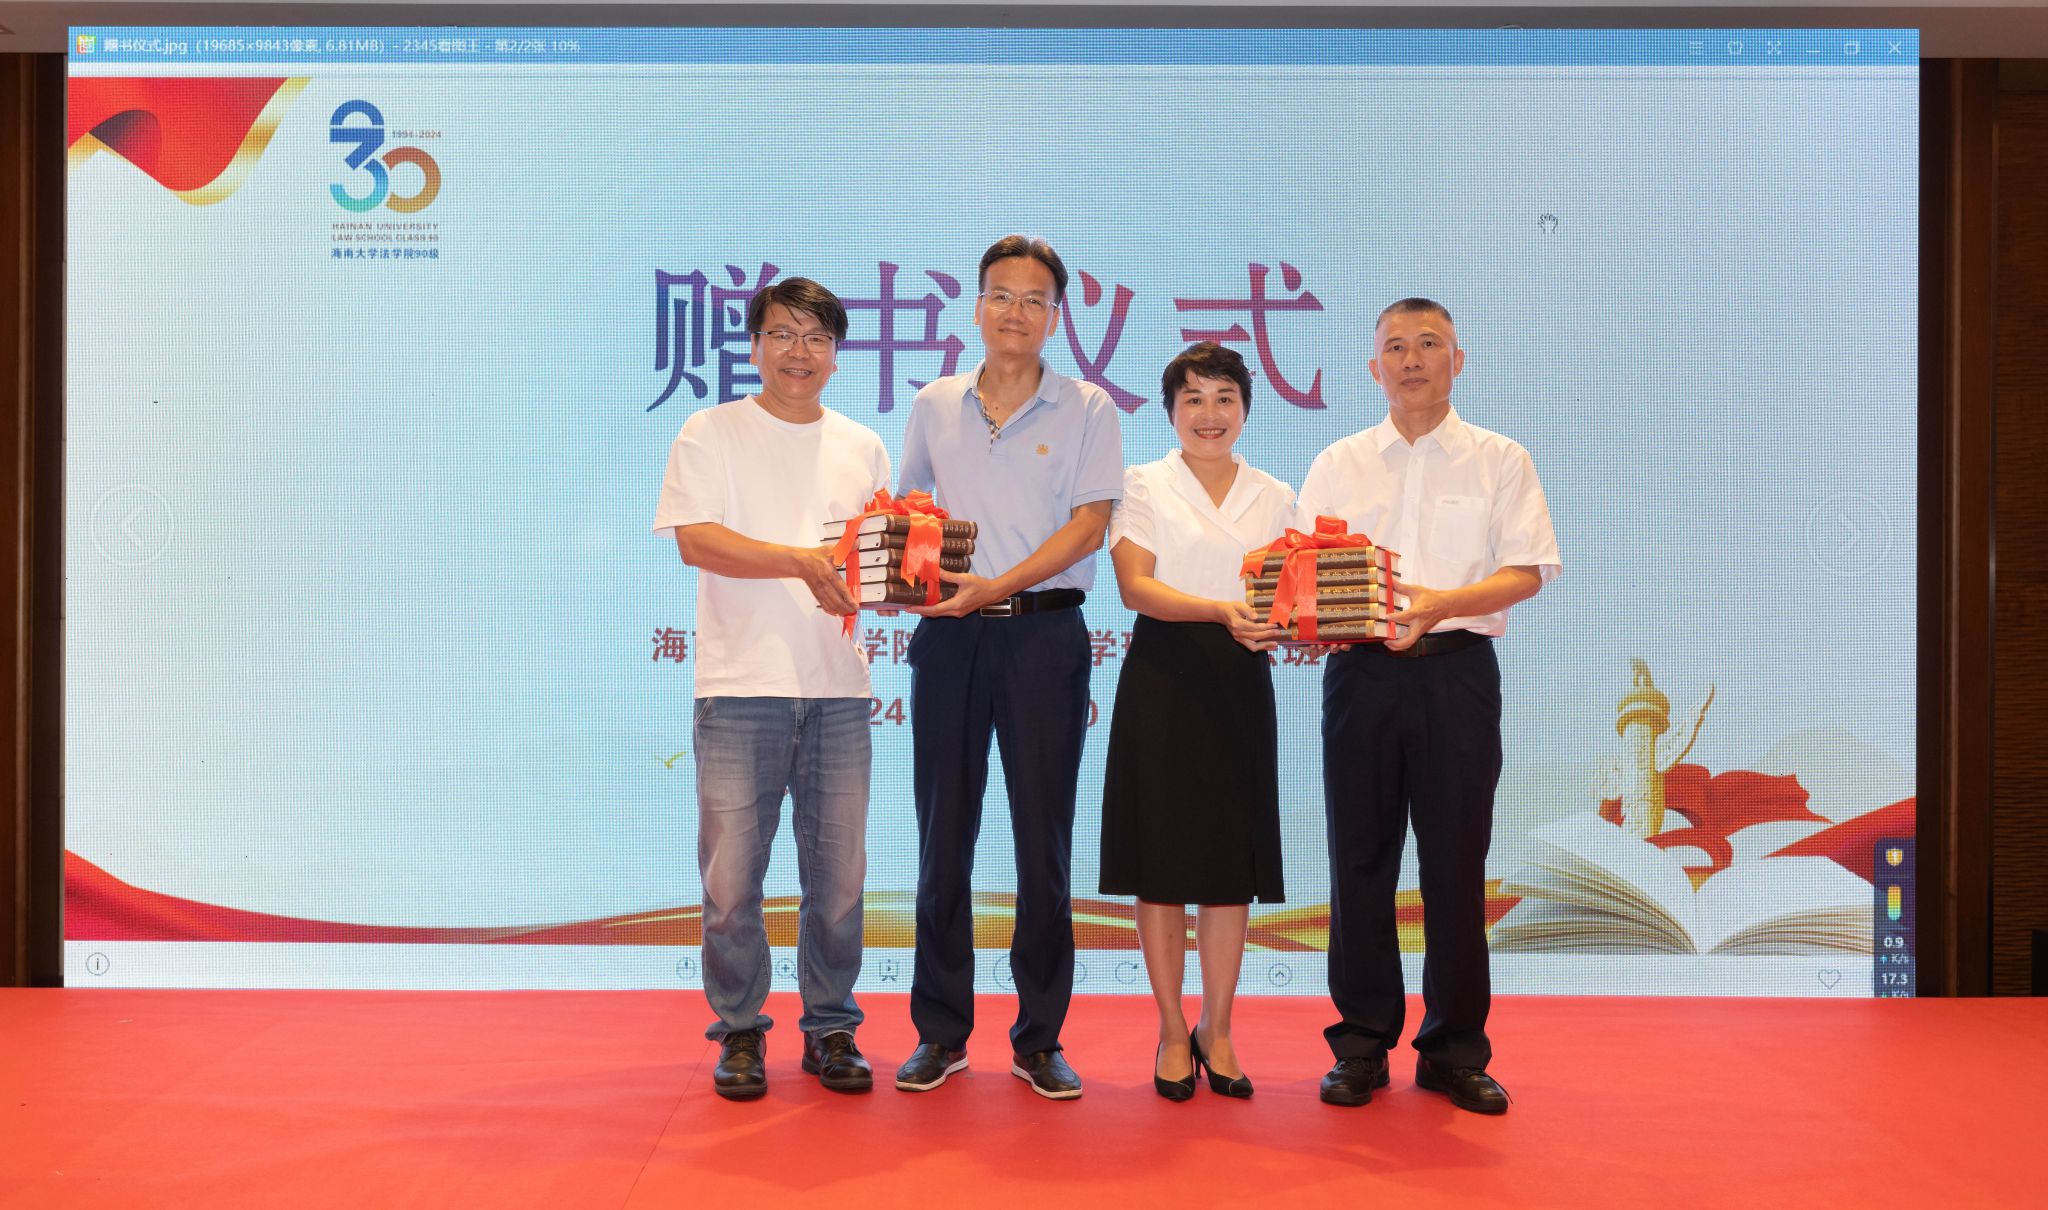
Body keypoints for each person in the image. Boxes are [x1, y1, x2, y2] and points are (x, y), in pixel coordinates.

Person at [1300, 298, 1560, 1115]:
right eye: (1395, 347)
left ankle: (1454, 1050)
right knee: (1359, 862)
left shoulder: (1499, 459)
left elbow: (1528, 569)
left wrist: (1443, 603)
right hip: (1361, 676)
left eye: (1428, 344)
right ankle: (1361, 1045)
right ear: (1372, 366)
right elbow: (1304, 574)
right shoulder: (1339, 461)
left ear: (1458, 360)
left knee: (1455, 865)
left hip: (1457, 675)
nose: (1411, 360)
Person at [892, 235, 1124, 1100]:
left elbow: (1090, 525)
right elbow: (911, 512)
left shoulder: (1088, 407)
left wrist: (1001, 583)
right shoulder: (934, 403)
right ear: (977, 305)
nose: (1015, 312)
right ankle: (940, 1032)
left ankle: (1039, 1038)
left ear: (1056, 316)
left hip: (1043, 638)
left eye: (1034, 299)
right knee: (941, 838)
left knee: (1043, 844)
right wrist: (903, 578)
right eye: (1001, 295)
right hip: (949, 640)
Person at [652, 277, 890, 1100]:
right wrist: (798, 560)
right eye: (783, 335)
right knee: (730, 884)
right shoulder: (711, 431)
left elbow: (872, 561)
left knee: (840, 883)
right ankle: (741, 1031)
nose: (799, 352)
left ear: (837, 354)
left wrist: (905, 579)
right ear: (754, 346)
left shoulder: (862, 445)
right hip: (740, 685)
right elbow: (695, 540)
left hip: (839, 691)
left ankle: (831, 1028)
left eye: (817, 338)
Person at [1099, 342, 1293, 1102]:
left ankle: (1219, 1027)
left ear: (1245, 408)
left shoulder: (1276, 496)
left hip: (1240, 682)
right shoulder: (1142, 484)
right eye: (1193, 399)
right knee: (1162, 866)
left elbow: (1290, 594)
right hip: (1164, 678)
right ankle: (1172, 1031)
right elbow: (1136, 587)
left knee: (1226, 868)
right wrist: (1220, 610)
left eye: (1224, 399)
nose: (1209, 415)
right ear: (1171, 411)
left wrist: (1291, 622)